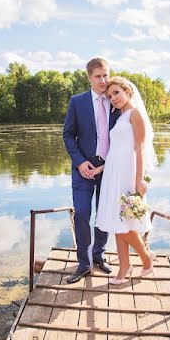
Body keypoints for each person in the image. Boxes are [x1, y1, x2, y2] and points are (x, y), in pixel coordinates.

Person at [93, 76, 156, 283]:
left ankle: (146, 258)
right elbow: (116, 149)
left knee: (126, 222)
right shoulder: (120, 117)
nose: (113, 98)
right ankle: (124, 267)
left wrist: (139, 180)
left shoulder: (135, 114)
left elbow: (140, 148)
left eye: (117, 93)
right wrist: (102, 167)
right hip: (113, 172)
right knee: (117, 222)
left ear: (128, 91)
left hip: (128, 173)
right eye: (110, 96)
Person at [62, 57, 119, 283]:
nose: (103, 80)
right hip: (84, 170)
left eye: (106, 75)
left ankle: (99, 255)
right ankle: (84, 264)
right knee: (83, 213)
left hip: (109, 169)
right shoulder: (77, 102)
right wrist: (79, 162)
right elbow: (68, 134)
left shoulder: (116, 101)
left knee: (104, 214)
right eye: (98, 76)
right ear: (89, 77)